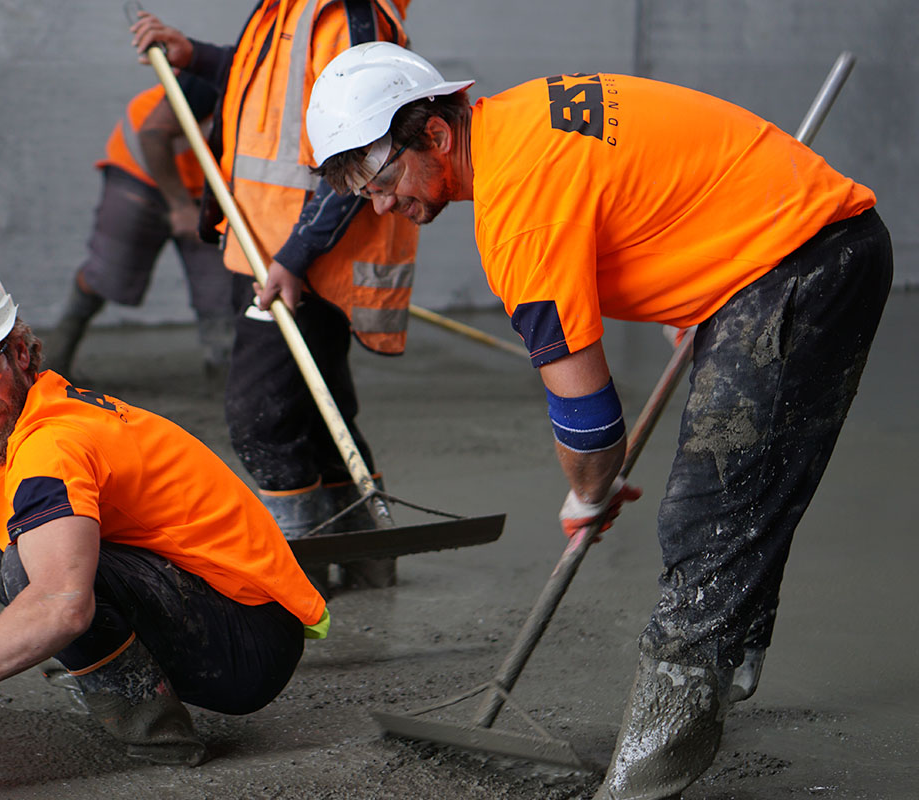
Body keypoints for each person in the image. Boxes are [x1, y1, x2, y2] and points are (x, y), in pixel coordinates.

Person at [306, 43, 892, 799]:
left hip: (800, 262)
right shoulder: (520, 119)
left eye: (382, 181)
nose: (381, 206)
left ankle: (648, 769)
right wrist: (693, 293)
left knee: (708, 511)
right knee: (742, 488)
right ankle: (730, 660)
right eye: (364, 193)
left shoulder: (517, 207)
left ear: (436, 136)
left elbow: (586, 416)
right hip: (766, 254)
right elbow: (652, 188)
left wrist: (588, 492)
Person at [0, 251, 328, 766]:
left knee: (37, 571)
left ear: (20, 352)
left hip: (250, 638)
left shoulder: (53, 443)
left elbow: (60, 606)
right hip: (208, 607)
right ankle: (116, 672)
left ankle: (156, 734)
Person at [130, 1, 418, 595]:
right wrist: (198, 56)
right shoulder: (291, 9)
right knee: (315, 413)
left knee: (262, 419)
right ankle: (367, 560)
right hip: (267, 248)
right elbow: (279, 84)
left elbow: (362, 145)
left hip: (301, 259)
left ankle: (301, 574)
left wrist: (296, 256)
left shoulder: (346, 15)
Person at [44, 77, 235, 386]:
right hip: (138, 173)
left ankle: (225, 375)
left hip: (206, 187)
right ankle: (56, 360)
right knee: (107, 274)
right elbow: (153, 133)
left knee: (219, 287)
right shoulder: (209, 85)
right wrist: (180, 206)